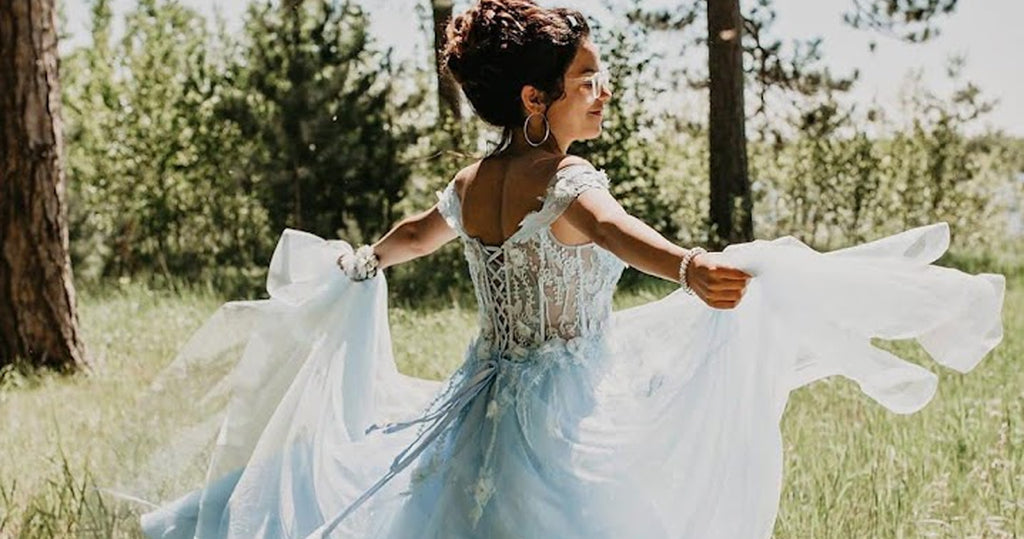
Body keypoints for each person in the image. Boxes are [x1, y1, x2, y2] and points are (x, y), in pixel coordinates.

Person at [119, 1, 1005, 537]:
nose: (604, 89)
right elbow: (622, 235)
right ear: (535, 99)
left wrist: (363, 261)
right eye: (587, 79)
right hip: (567, 406)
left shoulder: (474, 183)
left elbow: (416, 233)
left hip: (478, 394)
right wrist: (690, 265)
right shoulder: (569, 181)